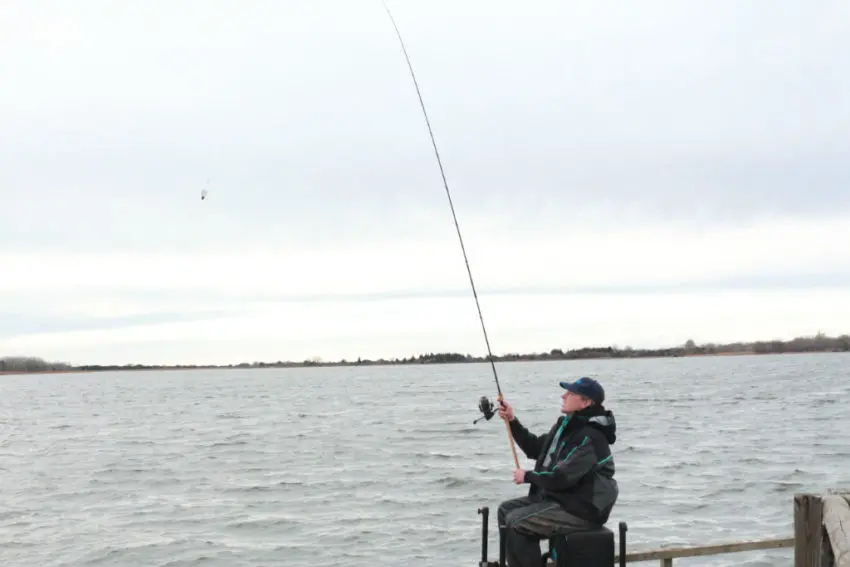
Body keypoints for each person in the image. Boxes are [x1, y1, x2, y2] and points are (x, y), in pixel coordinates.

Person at [496, 377, 618, 567]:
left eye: (570, 393)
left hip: (583, 509)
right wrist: (512, 420)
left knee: (517, 522)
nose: (563, 396)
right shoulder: (566, 427)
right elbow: (535, 448)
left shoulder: (590, 437)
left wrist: (528, 476)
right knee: (505, 511)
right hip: (564, 500)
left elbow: (562, 478)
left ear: (585, 403)